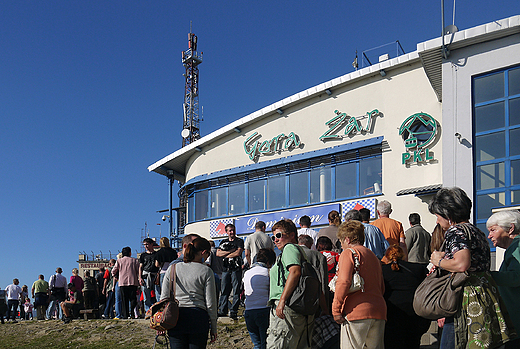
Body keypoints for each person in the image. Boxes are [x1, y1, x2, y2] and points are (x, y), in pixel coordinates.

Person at [429, 187, 515, 349]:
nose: (437, 221)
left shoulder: (456, 231)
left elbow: (462, 264)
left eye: (438, 216)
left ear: (448, 214)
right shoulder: (476, 232)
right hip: (485, 296)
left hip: (464, 302)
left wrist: (438, 261)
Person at [332, 220, 386, 349]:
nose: (341, 246)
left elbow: (343, 282)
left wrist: (336, 309)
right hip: (378, 311)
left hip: (355, 311)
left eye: (341, 241)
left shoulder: (348, 253)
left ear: (347, 239)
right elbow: (382, 287)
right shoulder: (373, 256)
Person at [161, 237, 217, 348]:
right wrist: (214, 327)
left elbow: (164, 297)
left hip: (176, 317)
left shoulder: (173, 268)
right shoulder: (206, 271)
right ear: (203, 252)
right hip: (198, 317)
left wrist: (162, 323)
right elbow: (210, 302)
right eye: (208, 255)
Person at [266, 219, 315, 349]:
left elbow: (295, 272)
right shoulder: (300, 252)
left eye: (278, 235)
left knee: (277, 344)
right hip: (299, 308)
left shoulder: (289, 248)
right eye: (273, 237)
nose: (275, 240)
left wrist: (282, 300)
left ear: (292, 235)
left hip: (287, 307)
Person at [381, 245, 430, 349]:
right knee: (412, 343)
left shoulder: (382, 271)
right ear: (403, 255)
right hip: (413, 312)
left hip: (391, 312)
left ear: (387, 257)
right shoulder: (418, 268)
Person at [487, 210, 520, 348]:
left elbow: (516, 277)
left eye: (493, 230)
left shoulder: (517, 247)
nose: (489, 236)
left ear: (510, 228)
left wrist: (486, 275)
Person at [243, 248, 277, 349]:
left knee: (257, 344)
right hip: (263, 310)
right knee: (265, 344)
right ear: (268, 262)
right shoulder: (268, 272)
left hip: (248, 311)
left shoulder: (247, 273)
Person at [217, 224, 244, 319]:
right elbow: (218, 253)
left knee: (236, 290)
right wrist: (231, 251)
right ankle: (222, 310)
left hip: (236, 268)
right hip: (225, 269)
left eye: (233, 230)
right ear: (226, 232)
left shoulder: (239, 241)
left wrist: (226, 254)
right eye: (230, 230)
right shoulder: (223, 242)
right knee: (224, 290)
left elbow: (239, 252)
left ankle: (234, 310)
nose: (232, 232)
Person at [298, 234, 329, 312]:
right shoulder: (319, 256)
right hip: (314, 298)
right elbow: (323, 280)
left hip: (296, 299)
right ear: (311, 244)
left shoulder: (290, 254)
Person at [112, 246, 140, 319]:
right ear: (130, 253)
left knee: (124, 300)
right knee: (133, 298)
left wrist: (115, 275)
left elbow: (113, 271)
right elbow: (138, 270)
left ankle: (125, 314)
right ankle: (132, 313)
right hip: (133, 282)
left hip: (122, 282)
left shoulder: (119, 261)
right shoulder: (135, 260)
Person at [139, 237, 160, 312]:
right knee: (146, 296)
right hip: (145, 276)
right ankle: (147, 311)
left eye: (147, 244)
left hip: (154, 275)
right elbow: (140, 267)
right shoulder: (143, 255)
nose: (146, 246)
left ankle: (158, 310)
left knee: (158, 294)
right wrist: (140, 277)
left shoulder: (156, 254)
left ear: (151, 244)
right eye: (144, 245)